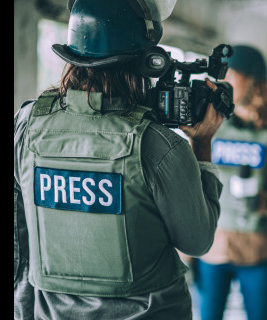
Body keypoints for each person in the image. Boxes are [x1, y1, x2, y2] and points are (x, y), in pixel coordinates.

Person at [14, 0, 227, 319]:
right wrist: (203, 146)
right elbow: (197, 241)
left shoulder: (26, 124)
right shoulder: (160, 145)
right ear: (148, 62)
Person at [195, 44, 267, 320]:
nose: (224, 83)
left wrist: (263, 202)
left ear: (253, 80)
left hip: (258, 251)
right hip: (213, 250)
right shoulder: (210, 126)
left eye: (231, 76)